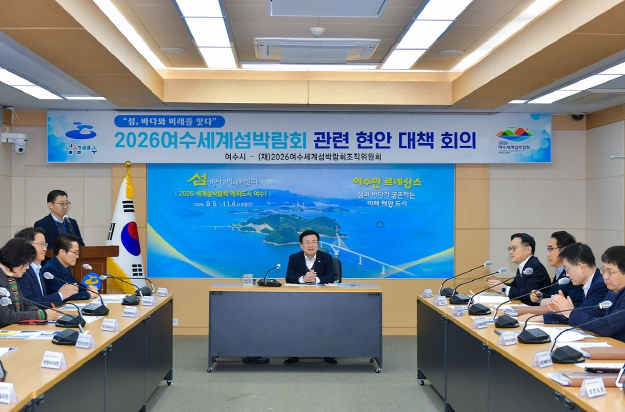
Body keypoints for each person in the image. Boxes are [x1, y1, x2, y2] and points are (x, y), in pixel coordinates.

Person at [518, 242, 608, 324]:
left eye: (567, 269)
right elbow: (578, 313)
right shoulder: (590, 282)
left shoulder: (601, 285)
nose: (567, 274)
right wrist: (562, 309)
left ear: (581, 267)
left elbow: (583, 314)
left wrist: (540, 318)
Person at [282, 230, 336, 365]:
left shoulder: (326, 257)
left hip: (323, 299)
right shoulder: (294, 258)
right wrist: (303, 279)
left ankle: (327, 352)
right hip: (298, 299)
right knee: (295, 323)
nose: (310, 245)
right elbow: (289, 277)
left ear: (318, 244)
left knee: (325, 323)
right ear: (301, 245)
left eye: (314, 242)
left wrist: (315, 279)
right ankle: (294, 353)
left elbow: (331, 276)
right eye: (307, 242)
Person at [568, 246, 625, 342]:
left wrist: (572, 313)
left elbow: (607, 327)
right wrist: (569, 312)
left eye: (610, 272)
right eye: (604, 270)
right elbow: (595, 312)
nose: (605, 276)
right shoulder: (613, 291)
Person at [0, 238, 60, 326]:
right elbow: (4, 316)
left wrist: (39, 311)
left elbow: (25, 303)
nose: (28, 267)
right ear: (17, 259)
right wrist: (41, 315)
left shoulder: (10, 275)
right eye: (27, 263)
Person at [14, 227, 78, 307]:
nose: (45, 249)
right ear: (27, 245)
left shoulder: (36, 268)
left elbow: (42, 298)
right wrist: (60, 295)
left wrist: (60, 294)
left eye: (45, 245)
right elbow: (27, 304)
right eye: (41, 244)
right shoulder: (22, 271)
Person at [485, 233, 550, 305]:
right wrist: (499, 284)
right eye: (510, 249)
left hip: (537, 308)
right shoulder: (524, 265)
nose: (511, 252)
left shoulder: (534, 267)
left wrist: (504, 288)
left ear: (528, 249)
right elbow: (516, 287)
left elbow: (528, 293)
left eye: (514, 248)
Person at [529, 231, 583, 307]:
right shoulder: (559, 272)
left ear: (564, 251)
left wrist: (548, 301)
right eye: (548, 249)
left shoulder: (573, 274)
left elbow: (573, 304)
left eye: (551, 249)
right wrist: (540, 296)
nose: (548, 254)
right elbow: (553, 296)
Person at [42, 234, 97, 301]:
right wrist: (88, 294)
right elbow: (63, 295)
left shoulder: (64, 267)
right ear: (62, 252)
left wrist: (88, 289)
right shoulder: (50, 270)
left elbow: (76, 285)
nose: (77, 256)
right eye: (75, 252)